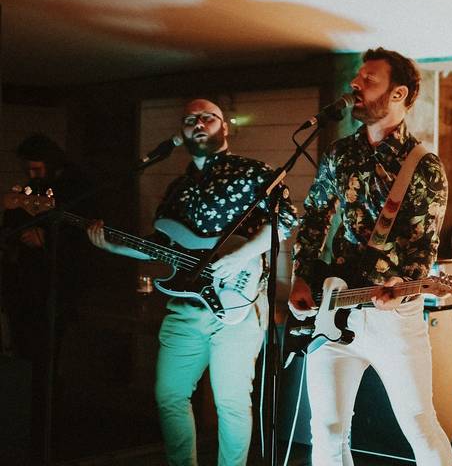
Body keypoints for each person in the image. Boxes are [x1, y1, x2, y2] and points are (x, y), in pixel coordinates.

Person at [87, 99, 297, 466]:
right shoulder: (176, 188)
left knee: (230, 401)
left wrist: (240, 255)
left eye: (207, 118)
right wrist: (115, 247)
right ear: (182, 132)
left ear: (224, 127)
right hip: (186, 307)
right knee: (169, 395)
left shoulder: (253, 171)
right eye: (189, 120)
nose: (198, 124)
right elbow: (162, 247)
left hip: (240, 304)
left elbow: (284, 221)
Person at [288, 48, 452, 466]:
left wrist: (405, 283)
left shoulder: (424, 166)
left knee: (418, 424)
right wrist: (302, 277)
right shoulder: (341, 154)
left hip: (392, 316)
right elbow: (314, 220)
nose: (355, 85)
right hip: (333, 307)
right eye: (357, 78)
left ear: (398, 93)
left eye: (369, 79)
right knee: (325, 430)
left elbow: (424, 246)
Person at [1, 133, 92, 458]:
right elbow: (12, 222)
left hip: (58, 285)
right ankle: (28, 415)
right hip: (24, 284)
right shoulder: (32, 187)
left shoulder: (77, 186)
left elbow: (86, 237)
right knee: (26, 353)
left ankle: (51, 419)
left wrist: (48, 240)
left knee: (50, 351)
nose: (32, 176)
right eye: (28, 170)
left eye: (37, 170)